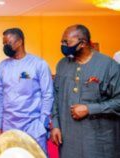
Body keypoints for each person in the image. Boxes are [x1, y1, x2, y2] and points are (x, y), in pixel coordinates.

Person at [51, 24, 120, 158]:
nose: (63, 45)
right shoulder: (62, 64)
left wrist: (90, 108)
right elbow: (55, 96)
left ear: (82, 43)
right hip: (68, 142)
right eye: (62, 41)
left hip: (99, 143)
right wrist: (55, 125)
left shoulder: (109, 66)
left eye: (67, 42)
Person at [0, 28, 53, 152]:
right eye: (3, 44)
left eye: (8, 43)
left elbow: (47, 95)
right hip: (9, 125)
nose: (5, 47)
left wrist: (43, 123)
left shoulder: (39, 64)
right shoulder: (3, 66)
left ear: (19, 42)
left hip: (33, 126)